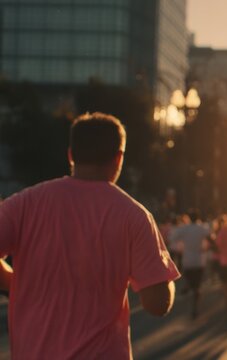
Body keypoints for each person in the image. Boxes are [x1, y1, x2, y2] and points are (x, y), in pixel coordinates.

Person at [0, 112, 180, 359]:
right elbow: (157, 304)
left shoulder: (24, 204)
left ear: (71, 154)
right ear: (119, 158)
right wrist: (165, 275)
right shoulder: (135, 217)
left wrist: (13, 284)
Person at [170, 209, 210, 318]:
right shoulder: (202, 228)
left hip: (187, 260)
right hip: (199, 260)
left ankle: (188, 285)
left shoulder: (184, 229)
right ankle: (195, 307)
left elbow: (172, 238)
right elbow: (210, 237)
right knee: (197, 286)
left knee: (189, 278)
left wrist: (181, 246)